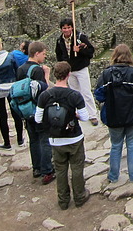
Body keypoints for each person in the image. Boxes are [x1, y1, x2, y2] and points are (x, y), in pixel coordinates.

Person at [35, 61, 89, 210]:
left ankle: (63, 200)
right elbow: (85, 117)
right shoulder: (74, 95)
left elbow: (38, 119)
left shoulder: (45, 95)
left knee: (60, 169)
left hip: (55, 138)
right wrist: (75, 115)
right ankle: (79, 196)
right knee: (77, 167)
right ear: (69, 75)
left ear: (54, 75)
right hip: (74, 137)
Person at [94, 44, 133, 183]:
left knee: (116, 145)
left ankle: (113, 176)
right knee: (132, 145)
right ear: (129, 56)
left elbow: (99, 95)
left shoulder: (106, 74)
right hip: (132, 115)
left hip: (113, 115)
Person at [18, 41, 54, 184]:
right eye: (44, 54)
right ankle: (47, 170)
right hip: (38, 109)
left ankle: (36, 168)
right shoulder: (37, 70)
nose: (44, 57)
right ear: (37, 54)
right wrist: (47, 74)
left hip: (26, 109)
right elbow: (43, 90)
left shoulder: (20, 68)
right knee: (44, 140)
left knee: (33, 140)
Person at [54, 18, 98, 125]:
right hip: (70, 70)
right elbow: (58, 55)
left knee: (86, 92)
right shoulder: (60, 41)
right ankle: (78, 113)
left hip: (81, 68)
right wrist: (63, 64)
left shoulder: (79, 38)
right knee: (74, 92)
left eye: (68, 27)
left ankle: (92, 115)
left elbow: (91, 51)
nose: (66, 30)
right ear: (61, 29)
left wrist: (80, 50)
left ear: (72, 28)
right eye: (64, 28)